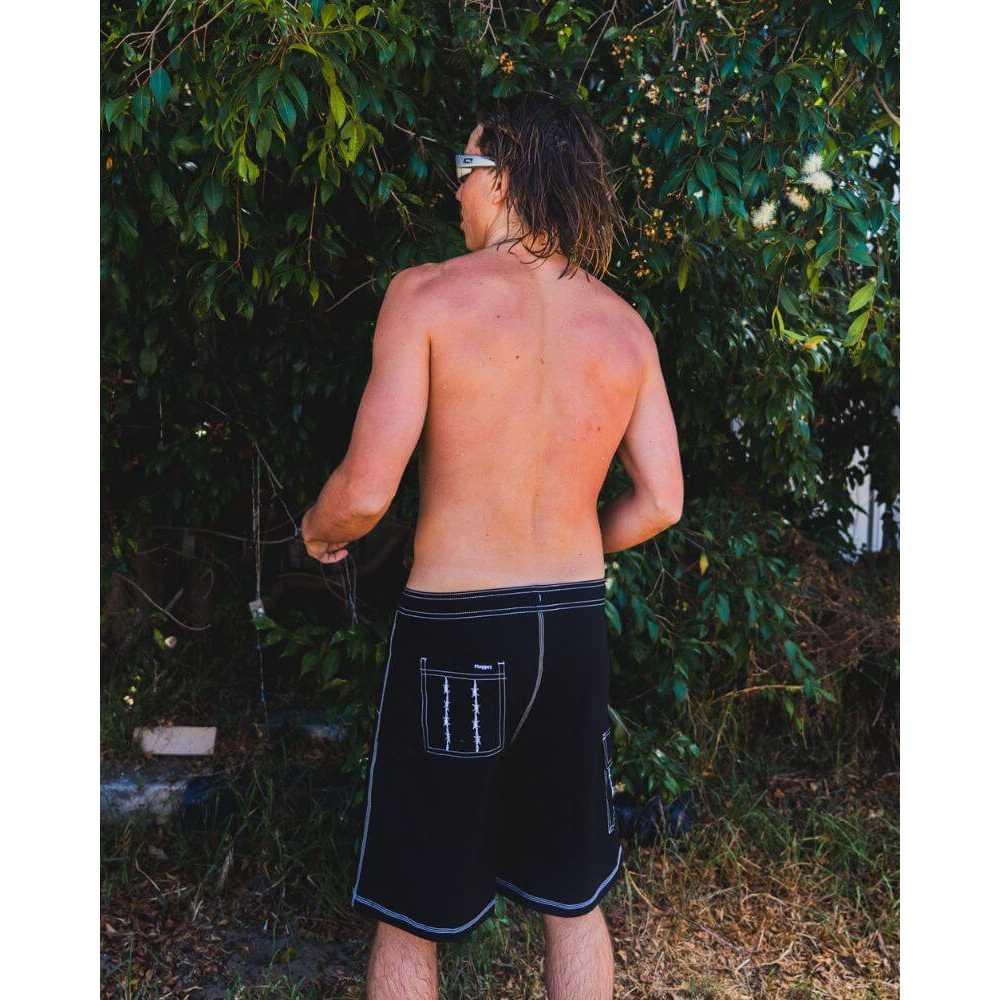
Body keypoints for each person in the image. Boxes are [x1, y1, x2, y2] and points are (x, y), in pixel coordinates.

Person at [300, 91, 683, 1000]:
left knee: (411, 910)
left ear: (503, 178)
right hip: (573, 630)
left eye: (464, 170)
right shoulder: (624, 325)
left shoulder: (427, 296)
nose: (456, 192)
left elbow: (364, 493)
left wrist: (318, 530)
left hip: (459, 632)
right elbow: (663, 501)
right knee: (573, 899)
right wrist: (572, 540)